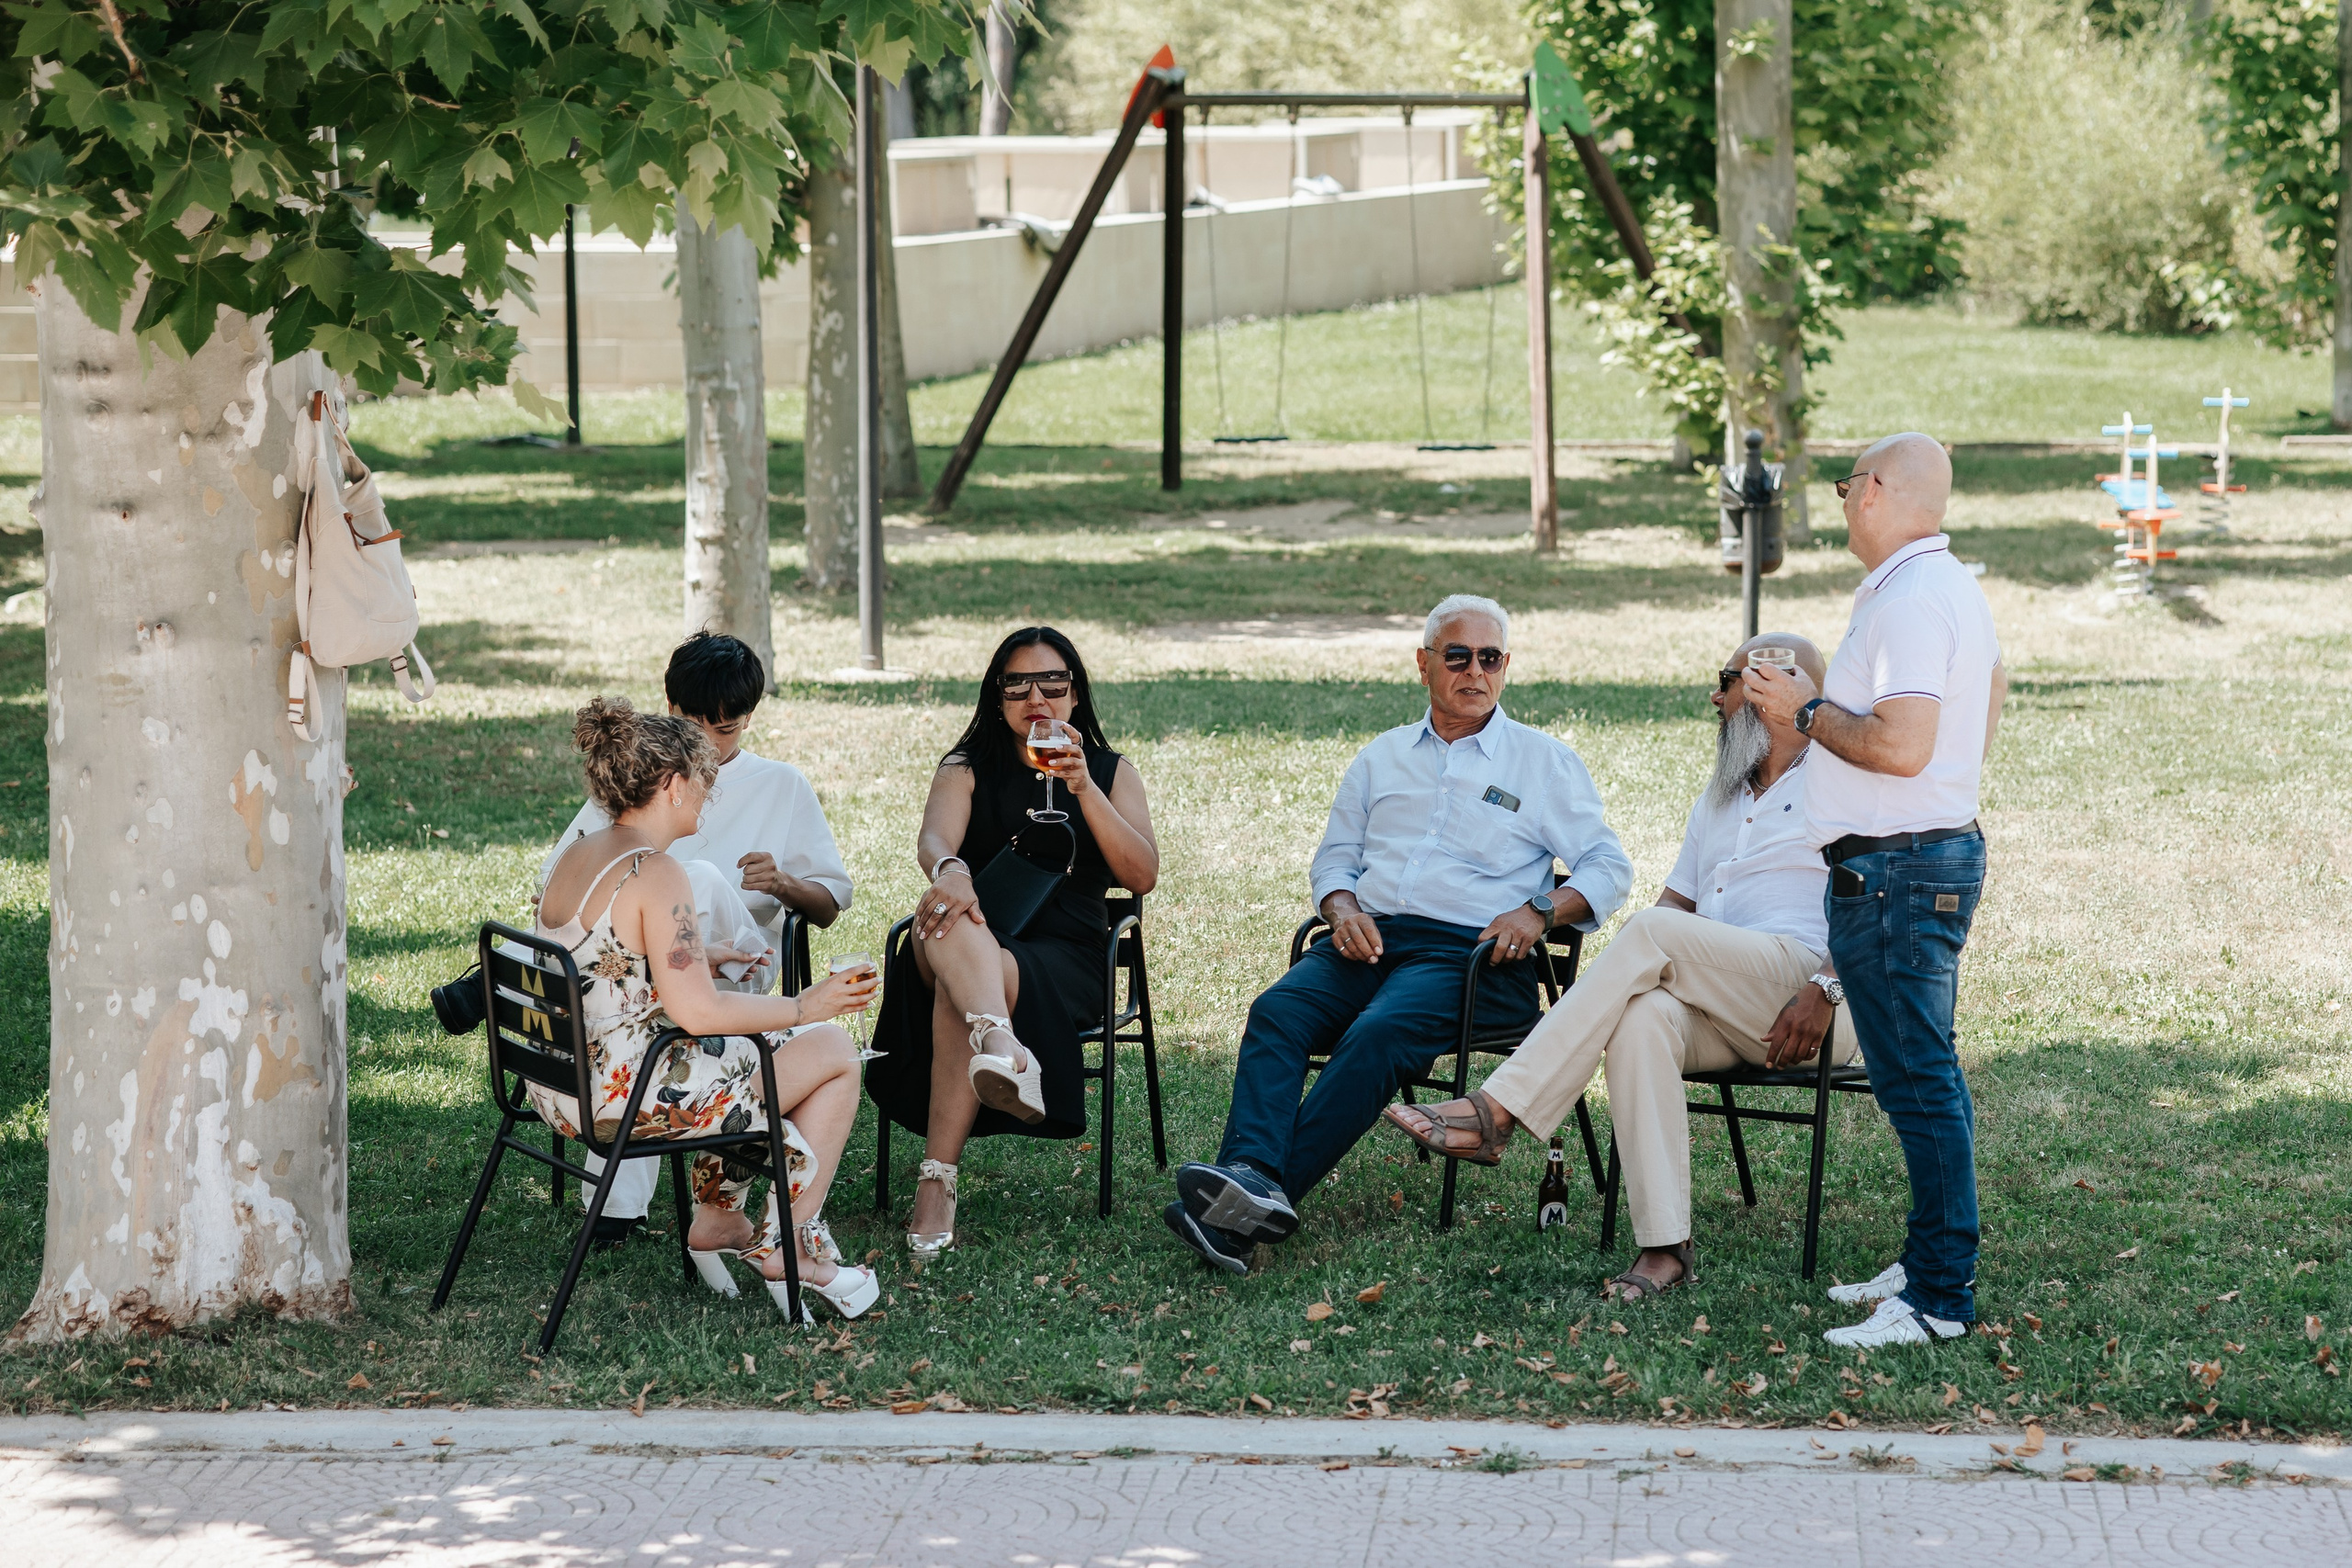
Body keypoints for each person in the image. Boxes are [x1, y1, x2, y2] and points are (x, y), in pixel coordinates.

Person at [1166, 594, 1632, 1276]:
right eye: (1458, 656)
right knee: (1278, 1011)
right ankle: (1251, 1174)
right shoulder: (1381, 758)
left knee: (1379, 1031)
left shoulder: (1542, 763)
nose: (1476, 671)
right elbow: (1335, 859)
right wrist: (1341, 906)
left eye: (1491, 657)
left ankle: (1248, 1204)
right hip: (1370, 940)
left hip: (1473, 958)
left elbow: (1609, 866)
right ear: (1423, 664)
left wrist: (1538, 909)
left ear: (1506, 666)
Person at [1385, 634, 1851, 1300]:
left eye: (1728, 679)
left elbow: (1882, 905)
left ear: (1776, 685)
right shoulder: (1718, 797)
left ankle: (1498, 1111)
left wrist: (1827, 985)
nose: (1714, 697)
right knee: (1641, 1017)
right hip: (1729, 1003)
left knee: (1654, 933)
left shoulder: (1844, 781)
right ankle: (1665, 1248)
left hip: (1816, 996)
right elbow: (1673, 912)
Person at [1743, 433, 2006, 1348]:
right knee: (1915, 1072)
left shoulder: (1909, 599)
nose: (1847, 497)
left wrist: (1802, 715)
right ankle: (1929, 1254)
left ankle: (1937, 1298)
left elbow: (1898, 745)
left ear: (1880, 492)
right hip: (1918, 856)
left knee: (1920, 1080)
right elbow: (1988, 696)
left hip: (1896, 870)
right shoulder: (1948, 588)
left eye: (1851, 482)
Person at [532, 698, 881, 1320]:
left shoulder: (582, 853)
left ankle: (722, 1221)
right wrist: (808, 1002)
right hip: (626, 1097)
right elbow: (700, 1015)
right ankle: (789, 1247)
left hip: (561, 1083)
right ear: (671, 786)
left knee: (774, 1051)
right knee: (830, 1051)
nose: (708, 797)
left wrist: (694, 953)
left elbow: (608, 959)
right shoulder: (656, 870)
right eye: (702, 782)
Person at [864, 627, 1160, 1261]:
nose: (1036, 697)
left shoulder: (1111, 771)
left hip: (1063, 955)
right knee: (957, 917)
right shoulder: (966, 766)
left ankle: (936, 1185)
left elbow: (1141, 875)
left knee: (959, 986)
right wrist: (951, 868)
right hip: (967, 925)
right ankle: (1001, 1045)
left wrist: (1085, 788)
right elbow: (935, 840)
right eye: (1016, 684)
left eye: (1052, 682)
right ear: (996, 698)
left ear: (1074, 695)